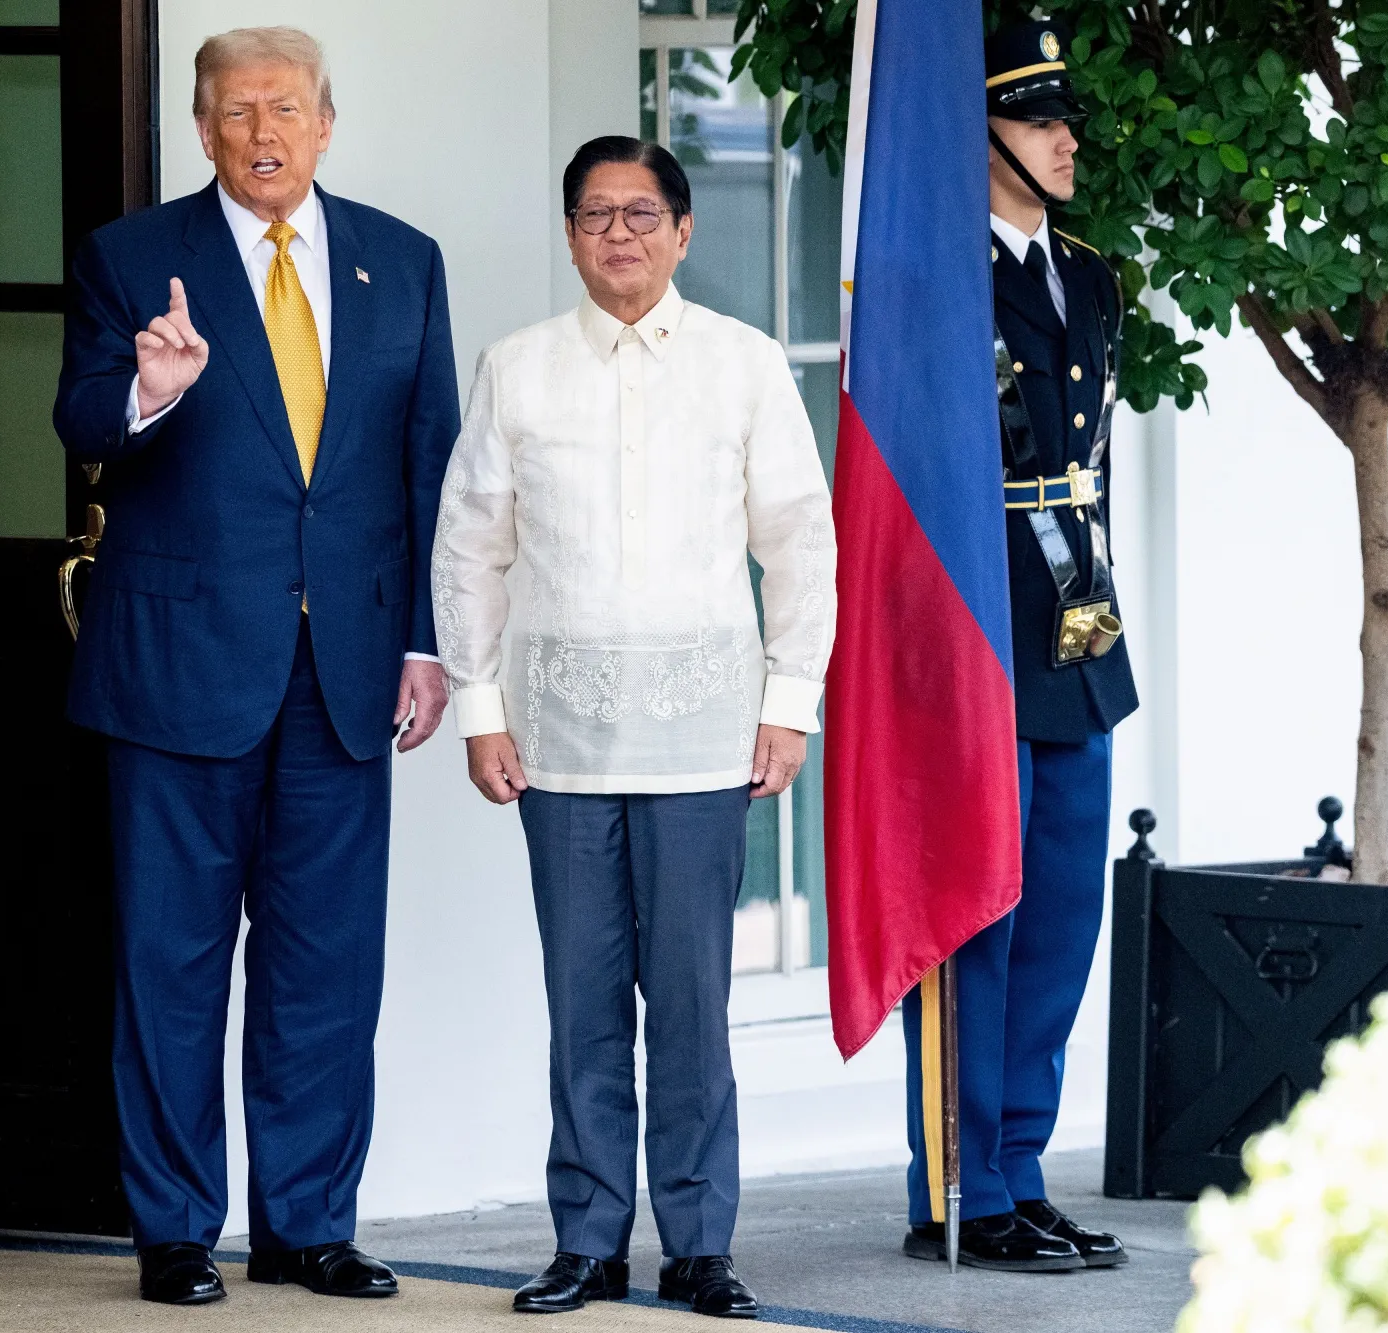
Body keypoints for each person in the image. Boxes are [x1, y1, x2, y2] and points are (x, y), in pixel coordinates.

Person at [52, 26, 458, 1307]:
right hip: (177, 667)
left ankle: (309, 1224)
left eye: (285, 108)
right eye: (235, 111)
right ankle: (175, 1228)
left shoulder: (402, 259)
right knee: (170, 961)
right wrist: (150, 391)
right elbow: (77, 419)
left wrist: (426, 640)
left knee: (325, 965)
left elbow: (430, 465)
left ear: (326, 124)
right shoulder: (131, 258)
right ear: (202, 128)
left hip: (344, 669)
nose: (262, 132)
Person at [434, 137, 836, 1320]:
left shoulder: (743, 364)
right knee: (584, 1003)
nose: (619, 234)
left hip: (704, 739)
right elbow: (469, 548)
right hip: (555, 742)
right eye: (595, 215)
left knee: (691, 1002)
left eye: (641, 213)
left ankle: (699, 1245)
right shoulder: (516, 369)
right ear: (568, 235)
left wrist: (788, 702)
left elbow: (798, 541)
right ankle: (587, 1242)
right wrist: (478, 708)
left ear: (683, 229)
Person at [899, 20, 1138, 1274]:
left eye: (1064, 120)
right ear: (979, 136)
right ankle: (957, 1181)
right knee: (971, 918)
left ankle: (1021, 1170)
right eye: (1037, 120)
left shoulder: (1088, 277)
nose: (1064, 140)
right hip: (974, 629)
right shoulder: (933, 281)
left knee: (1056, 919)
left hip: (1075, 629)